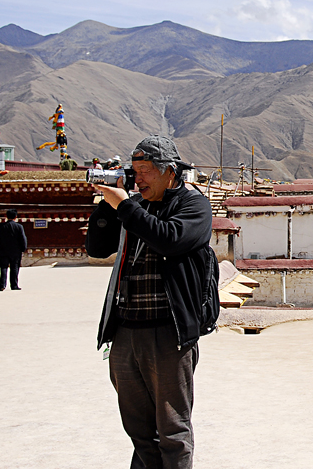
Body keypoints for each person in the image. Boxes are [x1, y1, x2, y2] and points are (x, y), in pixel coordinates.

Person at [86, 135, 212, 469]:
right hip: (126, 331)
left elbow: (170, 239)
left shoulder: (193, 205)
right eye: (135, 170)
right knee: (139, 431)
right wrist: (107, 204)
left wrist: (125, 206)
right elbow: (97, 248)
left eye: (145, 170)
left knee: (172, 429)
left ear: (170, 172)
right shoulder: (135, 207)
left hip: (168, 334)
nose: (138, 178)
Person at [0, 209, 27, 291]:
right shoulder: (19, 226)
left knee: (3, 268)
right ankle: (14, 285)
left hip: (3, 251)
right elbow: (23, 239)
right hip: (15, 251)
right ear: (16, 217)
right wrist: (23, 248)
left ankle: (2, 285)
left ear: (6, 216)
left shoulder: (0, 226)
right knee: (14, 268)